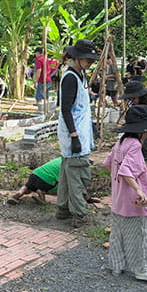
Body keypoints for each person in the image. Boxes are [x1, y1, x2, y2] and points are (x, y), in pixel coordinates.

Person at [104, 105, 147, 282]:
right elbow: (126, 171)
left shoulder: (120, 142)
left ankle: (116, 265)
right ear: (143, 130)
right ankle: (142, 268)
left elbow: (107, 163)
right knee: (144, 232)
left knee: (118, 234)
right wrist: (139, 191)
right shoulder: (135, 145)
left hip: (118, 200)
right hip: (135, 202)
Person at [56, 39, 97, 228]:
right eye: (88, 59)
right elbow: (65, 109)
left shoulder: (81, 74)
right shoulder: (70, 77)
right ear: (78, 58)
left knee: (67, 172)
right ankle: (80, 214)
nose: (90, 63)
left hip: (79, 130)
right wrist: (74, 136)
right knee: (77, 174)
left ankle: (63, 208)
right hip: (73, 133)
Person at [33, 47, 57, 112]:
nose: (35, 55)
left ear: (38, 53)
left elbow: (39, 71)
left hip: (42, 80)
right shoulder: (46, 59)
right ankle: (47, 110)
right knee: (46, 96)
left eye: (35, 53)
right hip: (48, 79)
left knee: (39, 97)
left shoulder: (39, 60)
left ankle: (40, 111)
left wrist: (35, 81)